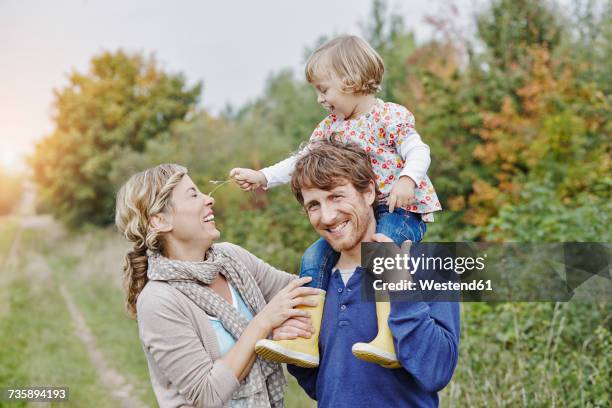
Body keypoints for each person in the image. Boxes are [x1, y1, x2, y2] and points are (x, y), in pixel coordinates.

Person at [230, 35, 441, 368]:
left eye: (324, 89)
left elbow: (418, 151)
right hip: (361, 211)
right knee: (312, 256)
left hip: (400, 209)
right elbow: (301, 160)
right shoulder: (330, 128)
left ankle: (389, 338)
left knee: (382, 250)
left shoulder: (389, 116)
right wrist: (263, 177)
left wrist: (407, 179)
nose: (319, 98)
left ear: (350, 80)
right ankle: (305, 339)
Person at [114, 163, 323, 408]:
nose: (208, 200)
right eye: (193, 195)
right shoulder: (158, 301)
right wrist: (264, 325)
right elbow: (207, 395)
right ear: (160, 221)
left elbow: (304, 295)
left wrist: (374, 251)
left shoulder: (232, 259)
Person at [282, 142, 459, 407]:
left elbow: (437, 371)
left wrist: (399, 287)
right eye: (314, 205)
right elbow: (323, 386)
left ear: (368, 192)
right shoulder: (314, 282)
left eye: (336, 196)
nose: (328, 216)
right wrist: (292, 346)